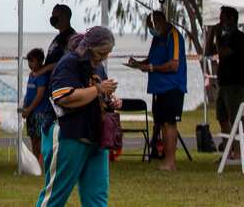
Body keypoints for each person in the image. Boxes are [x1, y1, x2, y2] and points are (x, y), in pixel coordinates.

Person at [36, 26, 120, 207]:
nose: (104, 57)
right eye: (101, 53)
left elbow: (97, 94)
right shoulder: (69, 63)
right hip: (69, 135)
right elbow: (63, 97)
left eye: (108, 53)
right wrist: (98, 89)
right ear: (89, 47)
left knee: (97, 197)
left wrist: (110, 100)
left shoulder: (98, 66)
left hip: (95, 137)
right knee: (55, 196)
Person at [127, 10, 186, 171]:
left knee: (169, 123)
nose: (151, 30)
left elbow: (174, 64)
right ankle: (163, 157)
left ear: (159, 22)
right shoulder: (157, 38)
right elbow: (152, 60)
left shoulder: (173, 36)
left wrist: (151, 68)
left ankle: (170, 161)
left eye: (151, 26)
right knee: (160, 123)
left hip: (172, 86)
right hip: (158, 88)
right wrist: (139, 64)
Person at [204, 5, 244, 139]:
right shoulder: (225, 38)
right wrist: (212, 32)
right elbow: (208, 52)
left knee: (234, 118)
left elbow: (223, 53)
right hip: (223, 83)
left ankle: (238, 152)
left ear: (231, 19)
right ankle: (229, 149)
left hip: (235, 84)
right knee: (222, 117)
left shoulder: (238, 39)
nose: (220, 22)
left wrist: (217, 36)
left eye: (222, 18)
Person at [19, 48, 51, 161]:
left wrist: (29, 109)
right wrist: (24, 107)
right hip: (30, 112)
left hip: (39, 112)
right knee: (32, 138)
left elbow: (39, 95)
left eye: (32, 61)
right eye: (29, 61)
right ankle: (35, 159)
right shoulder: (31, 75)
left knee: (39, 138)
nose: (30, 64)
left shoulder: (42, 75)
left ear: (40, 61)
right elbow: (29, 93)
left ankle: (40, 160)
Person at [42, 4, 77, 77]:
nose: (53, 18)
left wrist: (44, 69)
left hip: (61, 82)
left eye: (55, 15)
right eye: (52, 15)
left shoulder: (72, 38)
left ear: (65, 17)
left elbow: (67, 61)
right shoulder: (59, 37)